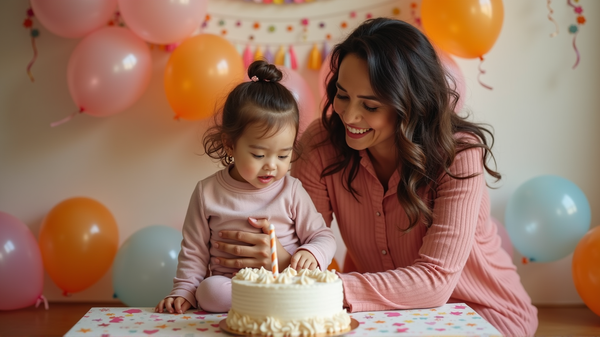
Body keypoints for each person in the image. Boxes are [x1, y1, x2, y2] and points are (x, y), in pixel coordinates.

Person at [212, 19, 538, 336]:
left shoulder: (459, 155)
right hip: (380, 317)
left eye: (369, 105)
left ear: (411, 104)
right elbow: (300, 246)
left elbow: (435, 282)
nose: (349, 116)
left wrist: (309, 281)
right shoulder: (321, 145)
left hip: (480, 313)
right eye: (342, 95)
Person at [155, 60, 336, 315]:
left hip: (283, 282)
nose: (271, 166)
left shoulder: (292, 190)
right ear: (230, 145)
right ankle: (262, 307)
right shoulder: (207, 192)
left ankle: (269, 304)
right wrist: (183, 291)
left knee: (313, 285)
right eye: (259, 155)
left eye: (283, 156)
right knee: (209, 292)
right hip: (232, 287)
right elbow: (194, 251)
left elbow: (324, 237)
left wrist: (313, 252)